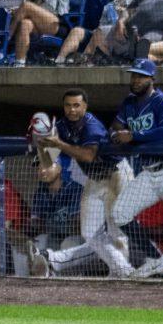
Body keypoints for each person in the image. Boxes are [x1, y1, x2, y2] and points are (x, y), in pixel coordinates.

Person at [34, 88, 135, 278]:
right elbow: (48, 163)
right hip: (95, 178)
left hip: (117, 174)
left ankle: (120, 273)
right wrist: (42, 145)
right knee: (89, 232)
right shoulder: (62, 126)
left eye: (76, 105)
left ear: (85, 106)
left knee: (117, 231)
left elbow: (88, 156)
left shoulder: (92, 125)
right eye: (68, 105)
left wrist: (59, 144)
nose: (72, 110)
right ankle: (124, 270)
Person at [109, 59, 163, 279]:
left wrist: (134, 136)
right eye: (134, 75)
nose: (136, 80)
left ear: (151, 79)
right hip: (150, 171)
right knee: (120, 213)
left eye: (141, 76)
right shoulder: (129, 103)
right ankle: (157, 260)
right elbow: (116, 127)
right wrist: (115, 135)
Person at [56, 0, 135, 65]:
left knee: (99, 34)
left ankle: (83, 62)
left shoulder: (136, 0)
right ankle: (59, 61)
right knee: (77, 31)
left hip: (124, 38)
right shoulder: (108, 6)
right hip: (104, 36)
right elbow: (102, 25)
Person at [27, 156, 88, 275]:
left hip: (77, 238)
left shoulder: (75, 189)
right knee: (38, 241)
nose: (42, 171)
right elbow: (35, 225)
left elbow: (76, 227)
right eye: (39, 168)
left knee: (69, 243)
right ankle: (41, 279)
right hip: (54, 236)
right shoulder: (40, 192)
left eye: (46, 166)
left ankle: (71, 284)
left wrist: (47, 225)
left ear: (59, 168)